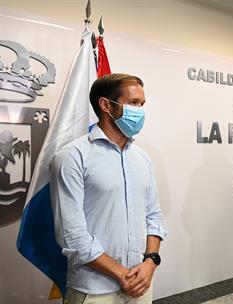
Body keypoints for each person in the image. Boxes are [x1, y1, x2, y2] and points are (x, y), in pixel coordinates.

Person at [50, 73, 166, 304]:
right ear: (105, 105)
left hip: (141, 284)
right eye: (133, 103)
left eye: (142, 104)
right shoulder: (72, 157)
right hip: (94, 289)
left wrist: (151, 261)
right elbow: (72, 236)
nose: (140, 111)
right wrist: (121, 274)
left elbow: (154, 216)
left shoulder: (142, 159)